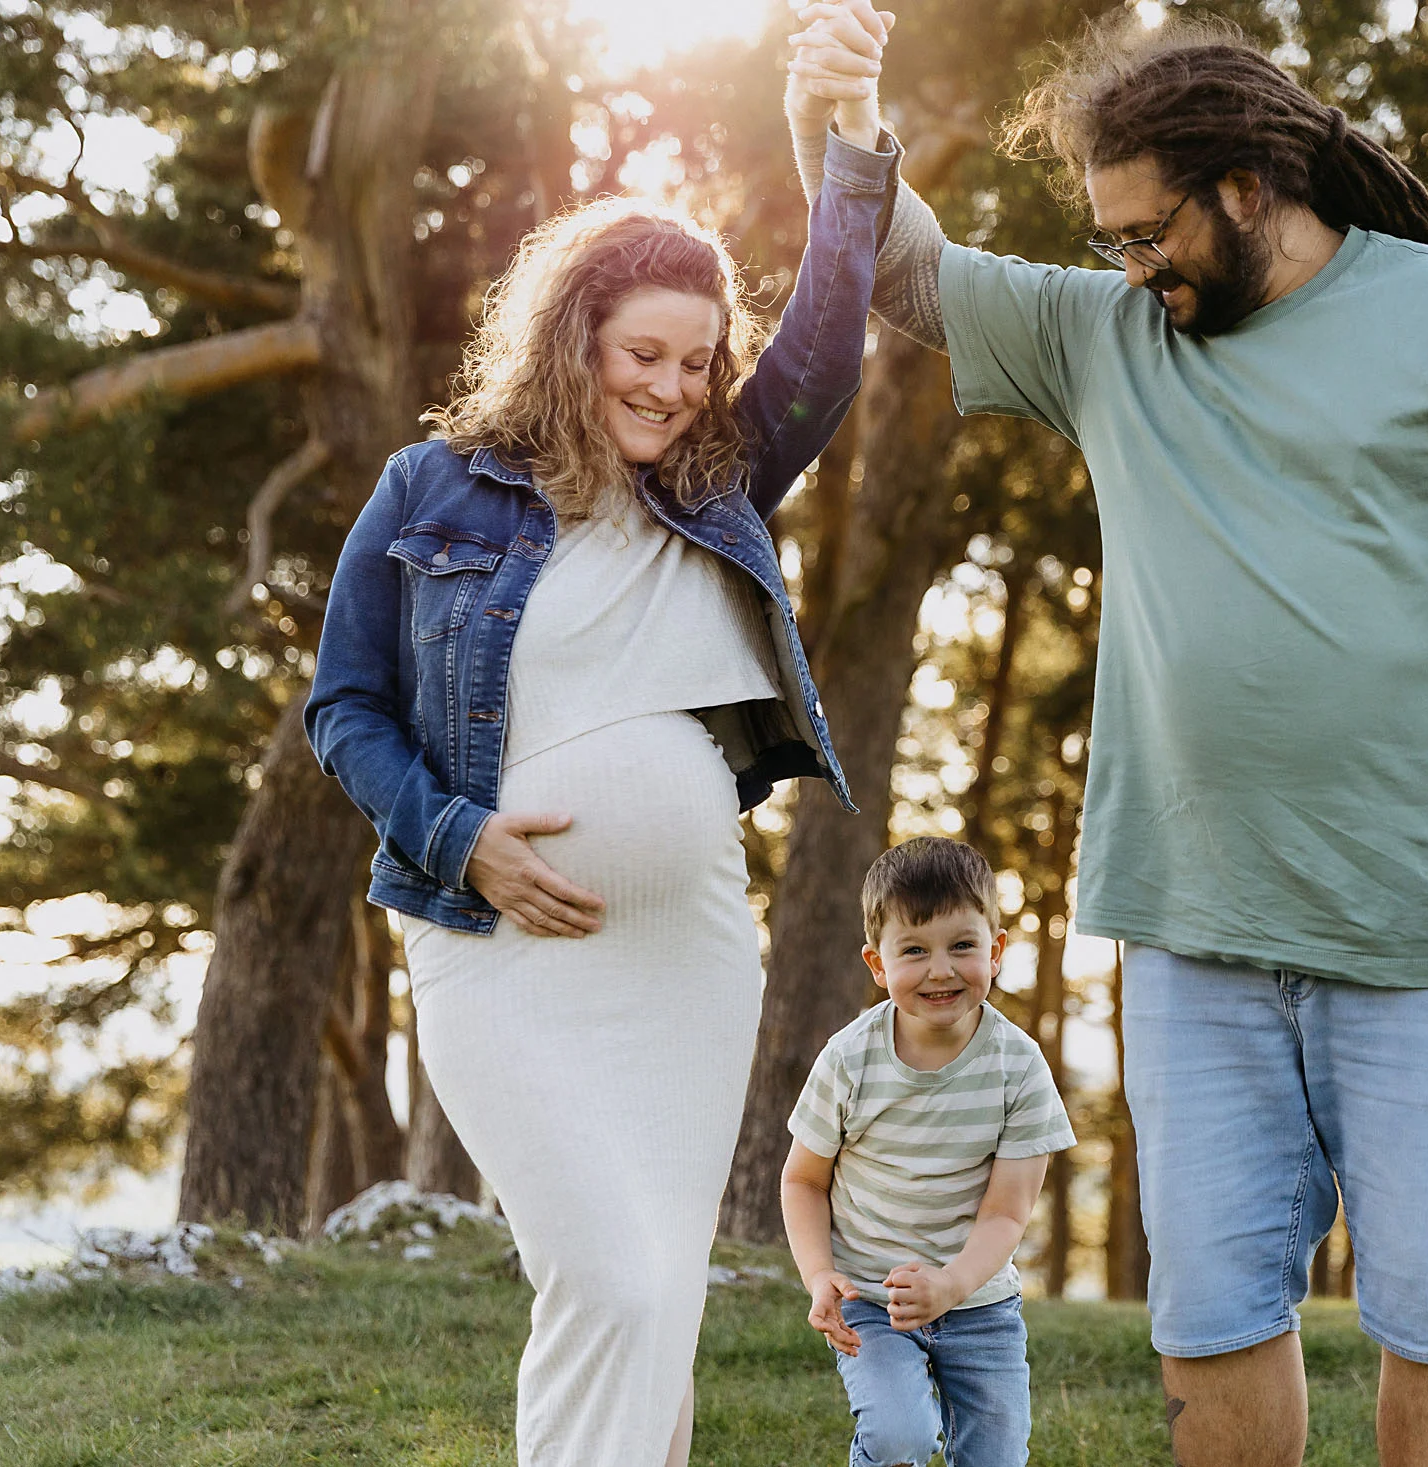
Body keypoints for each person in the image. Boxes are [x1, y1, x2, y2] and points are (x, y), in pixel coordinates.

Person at [787, 8, 1428, 1466]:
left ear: (1248, 184)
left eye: (1148, 233)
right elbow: (902, 269)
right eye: (1108, 240)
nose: (1129, 266)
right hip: (1195, 927)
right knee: (1210, 1314)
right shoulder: (1113, 334)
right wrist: (833, 112)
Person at [302, 47, 901, 1466]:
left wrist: (854, 129)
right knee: (606, 1278)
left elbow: (824, 337)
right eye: (645, 356)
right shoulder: (433, 486)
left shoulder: (717, 481)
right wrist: (461, 839)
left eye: (699, 364)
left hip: (685, 959)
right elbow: (346, 707)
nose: (676, 390)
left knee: (657, 1303)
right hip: (494, 945)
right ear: (573, 337)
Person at [781, 836, 1077, 1467]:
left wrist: (952, 1284)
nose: (940, 969)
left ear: (995, 952)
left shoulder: (1019, 1068)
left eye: (962, 946)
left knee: (996, 1457)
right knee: (899, 1439)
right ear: (877, 965)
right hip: (870, 1300)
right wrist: (817, 1276)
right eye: (914, 950)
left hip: (980, 1304)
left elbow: (1006, 1213)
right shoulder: (850, 1059)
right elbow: (803, 1180)